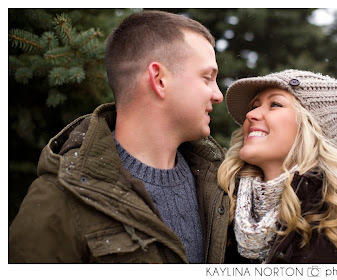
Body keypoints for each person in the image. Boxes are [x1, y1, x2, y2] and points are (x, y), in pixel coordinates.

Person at [9, 10, 229, 264]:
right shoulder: (61, 197)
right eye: (207, 78)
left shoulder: (220, 187)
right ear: (159, 80)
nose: (217, 95)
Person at [219, 69, 337, 263]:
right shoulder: (220, 207)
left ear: (311, 127)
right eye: (254, 105)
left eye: (275, 104)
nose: (251, 114)